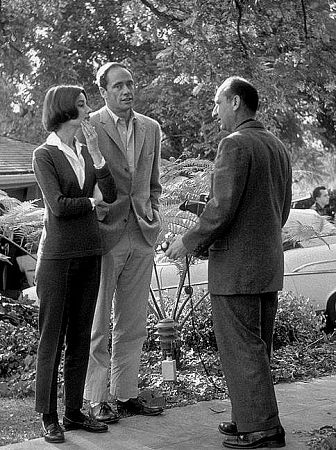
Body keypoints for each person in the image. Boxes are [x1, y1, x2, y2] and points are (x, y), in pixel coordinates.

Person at [166, 76, 292, 449]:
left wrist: (187, 241)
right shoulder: (277, 146)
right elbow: (279, 210)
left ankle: (262, 429)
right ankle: (247, 417)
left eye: (218, 102)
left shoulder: (234, 144)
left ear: (235, 102)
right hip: (267, 264)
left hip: (237, 269)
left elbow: (222, 210)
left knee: (242, 348)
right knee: (256, 347)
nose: (214, 109)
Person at [33, 85, 117, 443]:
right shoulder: (44, 154)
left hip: (89, 254)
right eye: (82, 105)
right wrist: (90, 202)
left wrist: (97, 154)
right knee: (52, 338)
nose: (88, 110)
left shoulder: (85, 151)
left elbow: (110, 194)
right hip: (57, 259)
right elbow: (57, 205)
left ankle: (73, 412)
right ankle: (49, 416)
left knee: (82, 335)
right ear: (66, 110)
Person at [83, 62, 164, 421]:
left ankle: (126, 393)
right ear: (103, 91)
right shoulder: (91, 126)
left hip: (142, 233)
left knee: (133, 322)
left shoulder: (151, 128)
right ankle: (97, 399)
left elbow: (153, 182)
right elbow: (84, 181)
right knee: (98, 322)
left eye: (130, 84)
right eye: (118, 86)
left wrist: (154, 215)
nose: (127, 91)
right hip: (106, 234)